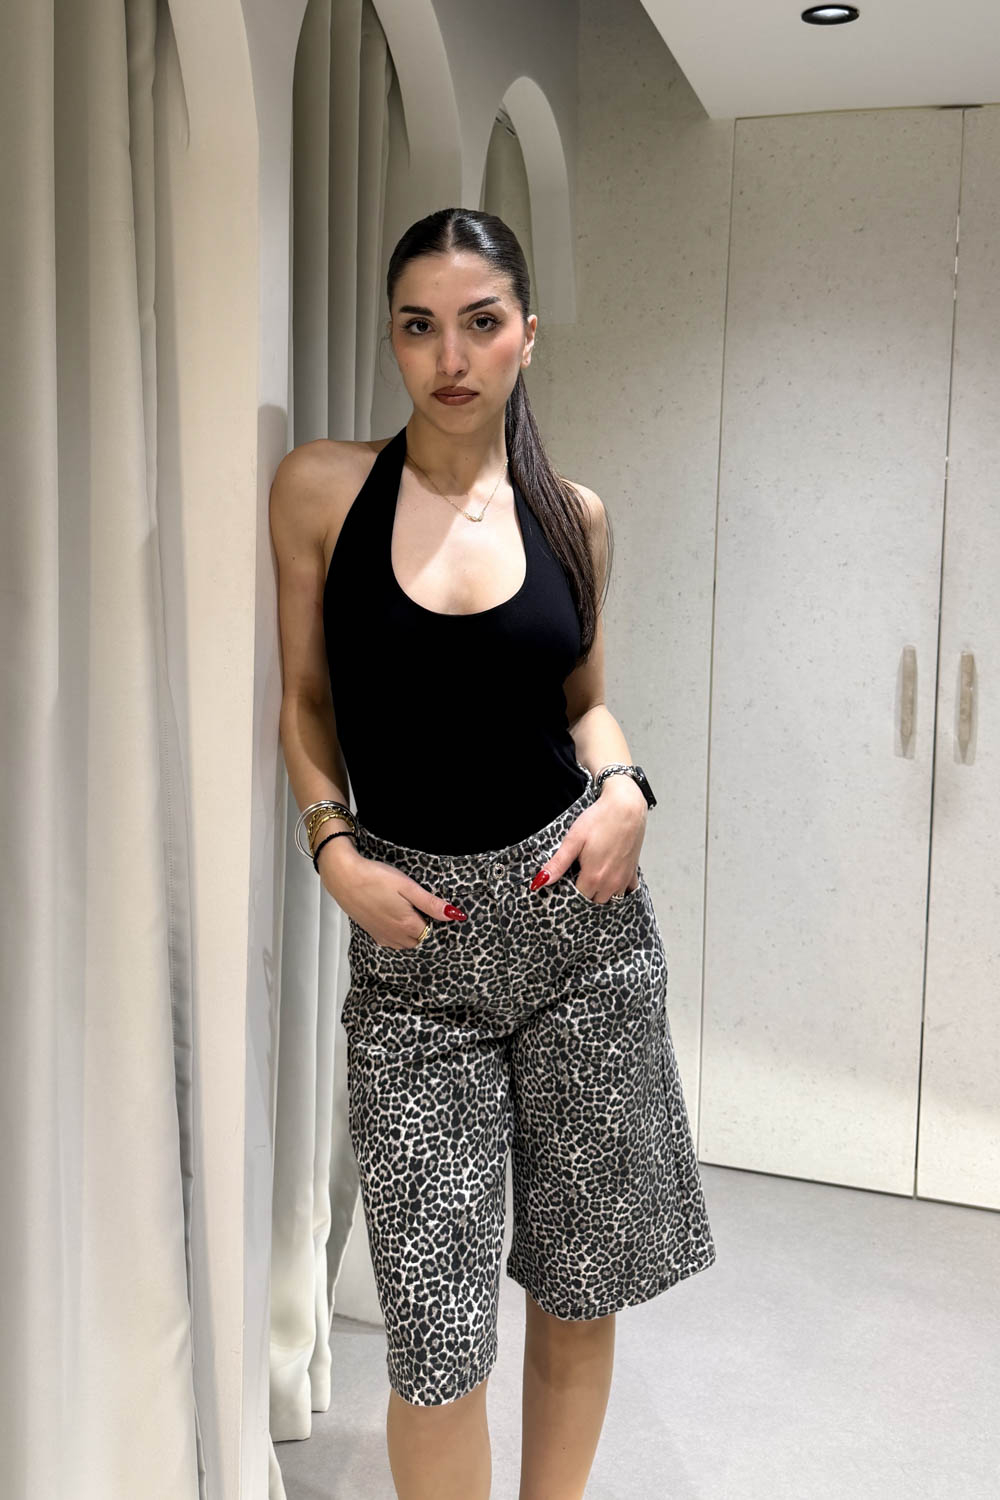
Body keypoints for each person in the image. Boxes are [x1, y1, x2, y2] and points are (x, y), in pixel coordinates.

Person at [269, 207, 716, 1500]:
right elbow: (305, 703)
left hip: (581, 936)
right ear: (393, 340)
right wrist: (333, 852)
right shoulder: (322, 490)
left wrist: (624, 788)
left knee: (580, 1284)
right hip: (416, 957)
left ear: (527, 333)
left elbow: (586, 706)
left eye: (480, 323)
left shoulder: (575, 517)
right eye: (420, 327)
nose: (451, 357)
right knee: (435, 1335)